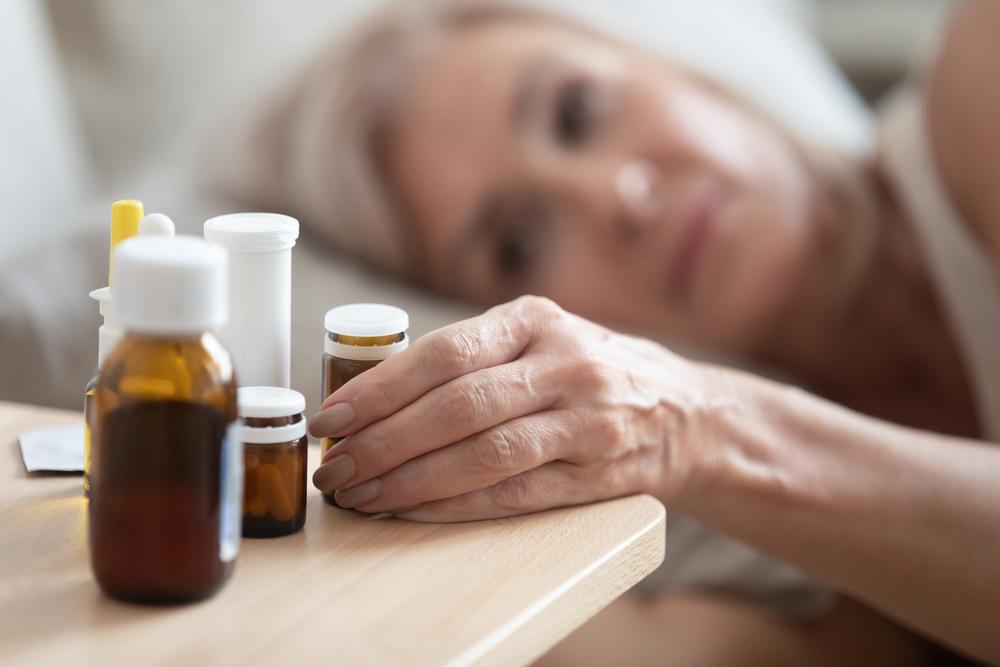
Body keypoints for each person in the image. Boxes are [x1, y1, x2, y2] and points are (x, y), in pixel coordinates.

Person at [218, 0, 1000, 663]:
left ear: (677, 67)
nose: (618, 197)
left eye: (577, 111)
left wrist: (699, 429)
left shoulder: (981, 78)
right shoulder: (776, 575)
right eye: (518, 241)